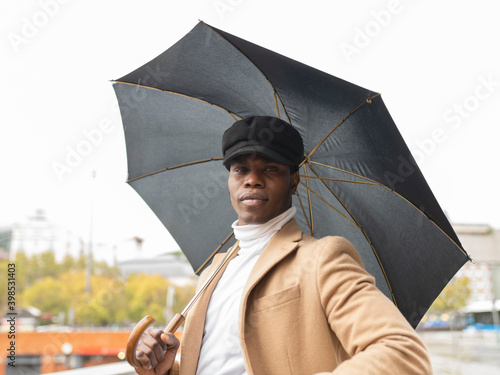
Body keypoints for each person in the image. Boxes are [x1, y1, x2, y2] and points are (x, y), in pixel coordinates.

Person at [133, 116, 433, 375]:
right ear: (229, 180)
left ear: (293, 181)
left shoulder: (322, 258)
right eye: (240, 169)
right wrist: (166, 370)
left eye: (270, 169)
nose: (252, 180)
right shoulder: (213, 270)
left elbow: (402, 354)